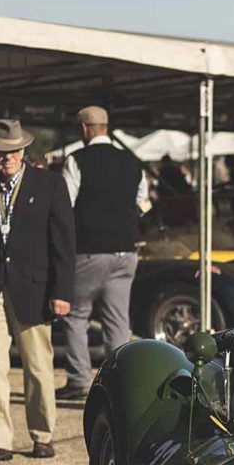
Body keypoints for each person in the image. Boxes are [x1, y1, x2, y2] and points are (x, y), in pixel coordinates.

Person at [0, 118, 74, 462]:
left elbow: (64, 243)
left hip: (35, 288)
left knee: (38, 365)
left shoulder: (50, 185)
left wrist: (62, 291)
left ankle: (42, 435)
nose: (6, 158)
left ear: (24, 149)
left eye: (11, 152)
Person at [57, 105, 147, 401]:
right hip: (126, 251)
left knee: (77, 315)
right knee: (117, 320)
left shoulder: (76, 160)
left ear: (83, 129)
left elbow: (65, 204)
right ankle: (121, 382)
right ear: (106, 127)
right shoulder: (133, 162)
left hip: (89, 250)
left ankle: (79, 379)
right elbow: (143, 202)